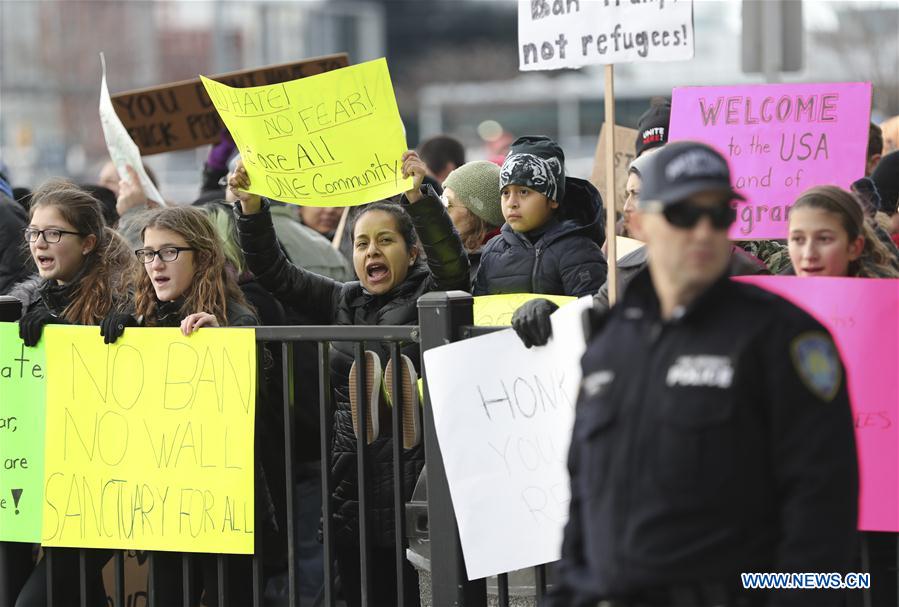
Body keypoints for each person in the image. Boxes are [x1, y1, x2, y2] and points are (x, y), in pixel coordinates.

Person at [547, 141, 858, 607]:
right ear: (639, 223)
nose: (705, 232)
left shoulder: (782, 339)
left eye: (719, 214)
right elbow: (584, 498)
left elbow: (822, 515)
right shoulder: (613, 341)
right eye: (684, 214)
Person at [229, 150, 468, 607]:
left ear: (412, 250)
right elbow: (275, 273)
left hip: (413, 485)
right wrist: (252, 209)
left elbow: (452, 265)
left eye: (385, 241)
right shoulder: (343, 299)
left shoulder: (429, 291)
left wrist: (421, 202)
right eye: (361, 243)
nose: (371, 252)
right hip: (350, 487)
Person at [11, 180, 137, 607]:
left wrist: (133, 335)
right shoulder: (25, 305)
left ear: (87, 242)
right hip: (34, 482)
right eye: (33, 232)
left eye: (53, 233)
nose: (39, 243)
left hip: (98, 487)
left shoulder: (130, 303)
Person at [473, 136, 607, 297]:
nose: (512, 203)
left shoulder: (579, 251)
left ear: (552, 199)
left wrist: (548, 312)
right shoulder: (492, 252)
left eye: (524, 192)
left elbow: (593, 315)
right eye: (505, 193)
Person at [787, 185, 899, 278]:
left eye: (824, 239)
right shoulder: (776, 301)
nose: (809, 254)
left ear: (854, 248)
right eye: (798, 239)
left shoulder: (885, 302)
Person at [441, 160, 503, 282]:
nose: (439, 210)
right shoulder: (441, 254)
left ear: (478, 215)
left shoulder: (495, 269)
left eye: (447, 204)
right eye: (440, 200)